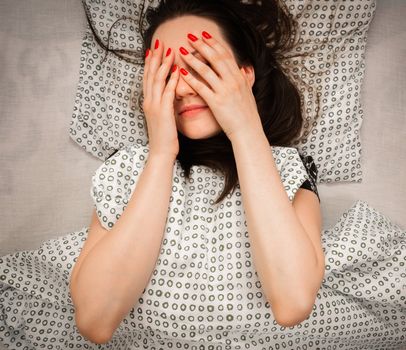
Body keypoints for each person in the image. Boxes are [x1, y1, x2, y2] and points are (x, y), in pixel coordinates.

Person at [1, 0, 405, 349]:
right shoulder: (127, 169)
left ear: (244, 75)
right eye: (167, 73)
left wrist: (245, 127)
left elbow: (293, 301)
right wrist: (160, 153)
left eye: (202, 66)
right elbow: (95, 320)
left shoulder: (286, 167)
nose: (183, 89)